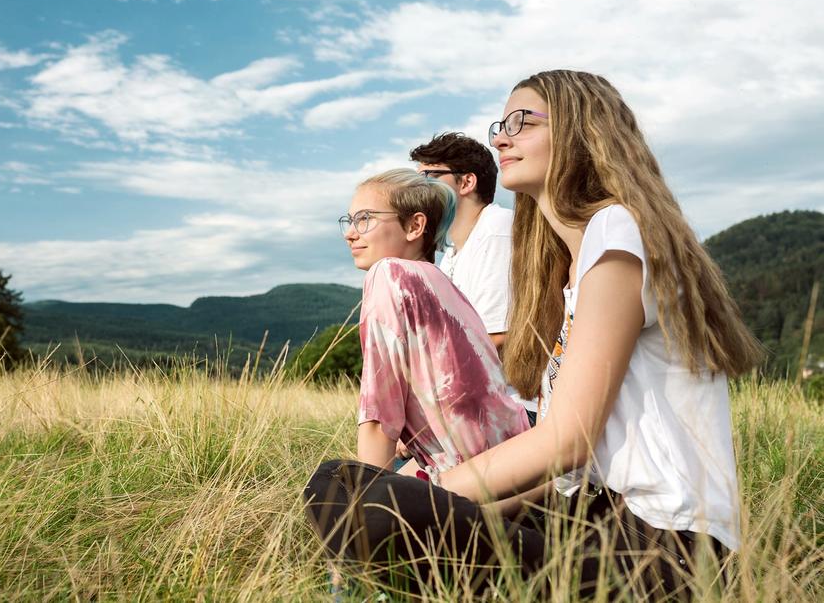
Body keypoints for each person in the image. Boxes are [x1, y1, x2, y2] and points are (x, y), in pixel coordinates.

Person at [304, 70, 762, 598]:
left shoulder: (616, 232)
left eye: (521, 122)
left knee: (376, 504)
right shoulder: (568, 274)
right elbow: (566, 476)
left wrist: (422, 491)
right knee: (339, 485)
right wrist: (453, 508)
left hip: (663, 553)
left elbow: (567, 441)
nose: (501, 137)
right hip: (584, 520)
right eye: (501, 124)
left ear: (581, 130)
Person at [339, 168, 529, 474]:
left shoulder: (389, 273)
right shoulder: (445, 285)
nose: (350, 232)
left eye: (365, 219)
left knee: (332, 488)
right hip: (514, 463)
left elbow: (379, 419)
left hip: (479, 485)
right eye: (349, 221)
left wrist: (370, 510)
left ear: (415, 225)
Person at [410, 132, 538, 422]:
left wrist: (427, 412)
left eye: (429, 176)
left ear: (466, 182)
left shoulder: (495, 231)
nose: (417, 189)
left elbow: (495, 337)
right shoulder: (454, 253)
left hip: (515, 409)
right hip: (476, 406)